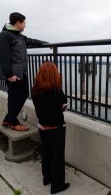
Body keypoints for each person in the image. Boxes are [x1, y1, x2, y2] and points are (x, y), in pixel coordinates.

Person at [0, 12, 48, 131]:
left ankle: (7, 119)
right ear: (18, 23)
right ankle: (13, 122)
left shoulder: (18, 36)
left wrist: (45, 43)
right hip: (13, 73)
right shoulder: (4, 35)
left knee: (18, 95)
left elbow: (30, 41)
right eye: (24, 23)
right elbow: (3, 56)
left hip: (20, 71)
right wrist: (9, 74)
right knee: (16, 96)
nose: (25, 25)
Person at [32, 62, 70, 194]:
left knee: (46, 153)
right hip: (56, 127)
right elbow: (64, 104)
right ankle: (57, 185)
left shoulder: (35, 89)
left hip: (42, 127)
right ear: (55, 74)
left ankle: (46, 178)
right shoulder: (56, 90)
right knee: (57, 156)